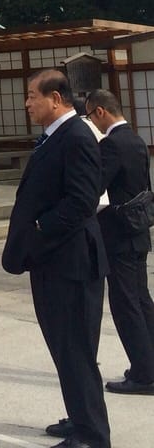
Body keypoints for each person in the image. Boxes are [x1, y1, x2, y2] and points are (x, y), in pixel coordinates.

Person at [2, 69, 110, 448]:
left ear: (56, 98)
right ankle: (79, 416)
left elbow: (81, 202)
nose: (28, 103)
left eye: (33, 95)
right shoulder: (54, 136)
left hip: (72, 261)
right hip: (52, 260)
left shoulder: (77, 136)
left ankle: (91, 435)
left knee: (76, 348)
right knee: (64, 346)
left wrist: (39, 227)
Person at [86, 89, 154, 395]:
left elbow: (96, 184)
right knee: (142, 300)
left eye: (90, 116)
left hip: (120, 234)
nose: (93, 123)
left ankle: (143, 373)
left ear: (100, 112)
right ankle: (148, 364)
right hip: (139, 230)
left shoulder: (111, 144)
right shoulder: (137, 140)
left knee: (125, 304)